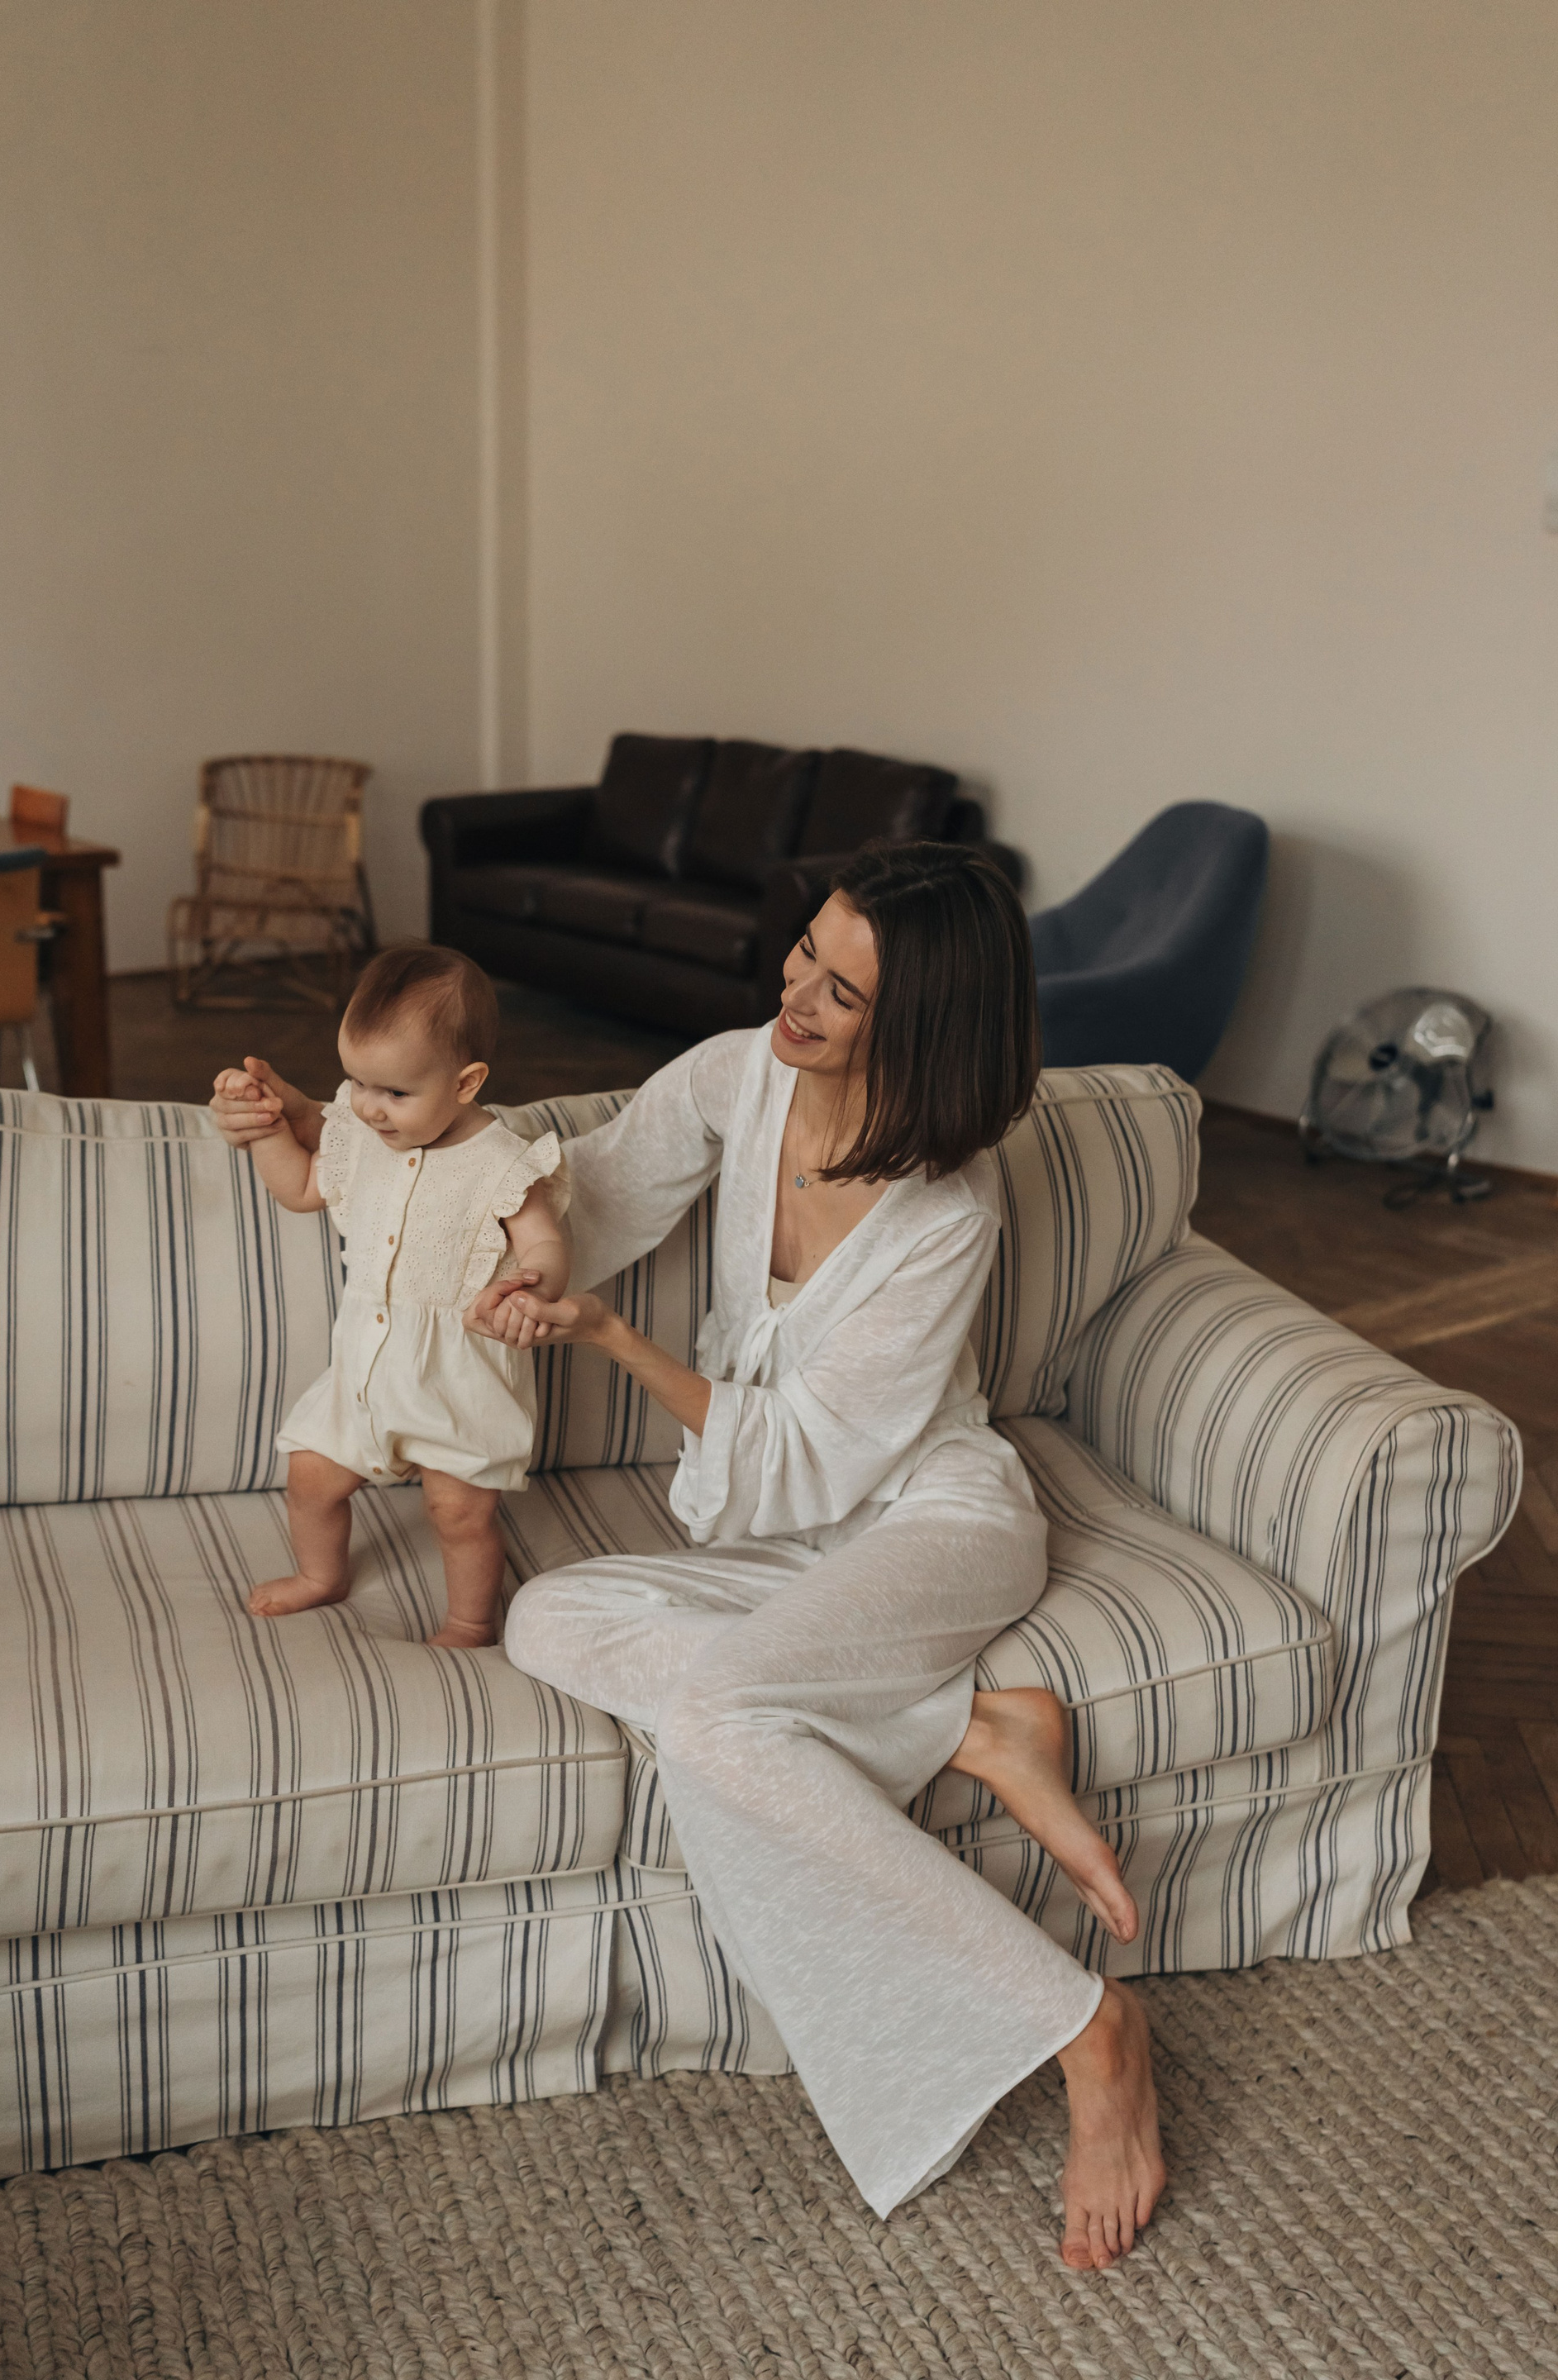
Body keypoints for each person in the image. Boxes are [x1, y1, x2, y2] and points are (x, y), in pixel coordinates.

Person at [465, 842, 1166, 2268]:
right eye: (806, 953)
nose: (797, 995)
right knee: (548, 1618)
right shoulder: (741, 1074)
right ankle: (973, 1727)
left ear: (922, 1028)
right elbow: (593, 1194)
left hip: (932, 1525)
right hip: (789, 1541)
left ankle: (1089, 2028)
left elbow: (808, 1455)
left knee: (722, 1727)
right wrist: (500, 1240)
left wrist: (614, 1340)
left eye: (844, 992)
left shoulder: (946, 1215)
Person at [207, 943, 569, 1647]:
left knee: (459, 1513)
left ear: (466, 1083)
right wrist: (271, 1129)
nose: (369, 1108)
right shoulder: (359, 1132)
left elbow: (544, 1242)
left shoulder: (503, 1162)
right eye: (356, 1082)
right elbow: (302, 1187)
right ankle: (321, 1574)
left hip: (459, 1379)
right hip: (364, 1368)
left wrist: (535, 1286)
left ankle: (469, 1621)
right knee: (310, 1477)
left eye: (396, 1093)